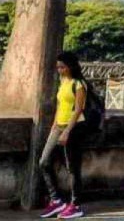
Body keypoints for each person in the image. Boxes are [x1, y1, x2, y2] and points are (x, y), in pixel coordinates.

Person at [38, 51, 91, 219]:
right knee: (44, 162)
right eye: (58, 67)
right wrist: (54, 127)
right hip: (58, 126)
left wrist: (67, 131)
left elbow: (78, 110)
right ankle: (56, 200)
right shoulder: (63, 81)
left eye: (62, 67)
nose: (59, 70)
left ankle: (75, 205)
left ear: (70, 66)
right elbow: (60, 106)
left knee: (72, 168)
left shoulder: (79, 83)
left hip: (74, 128)